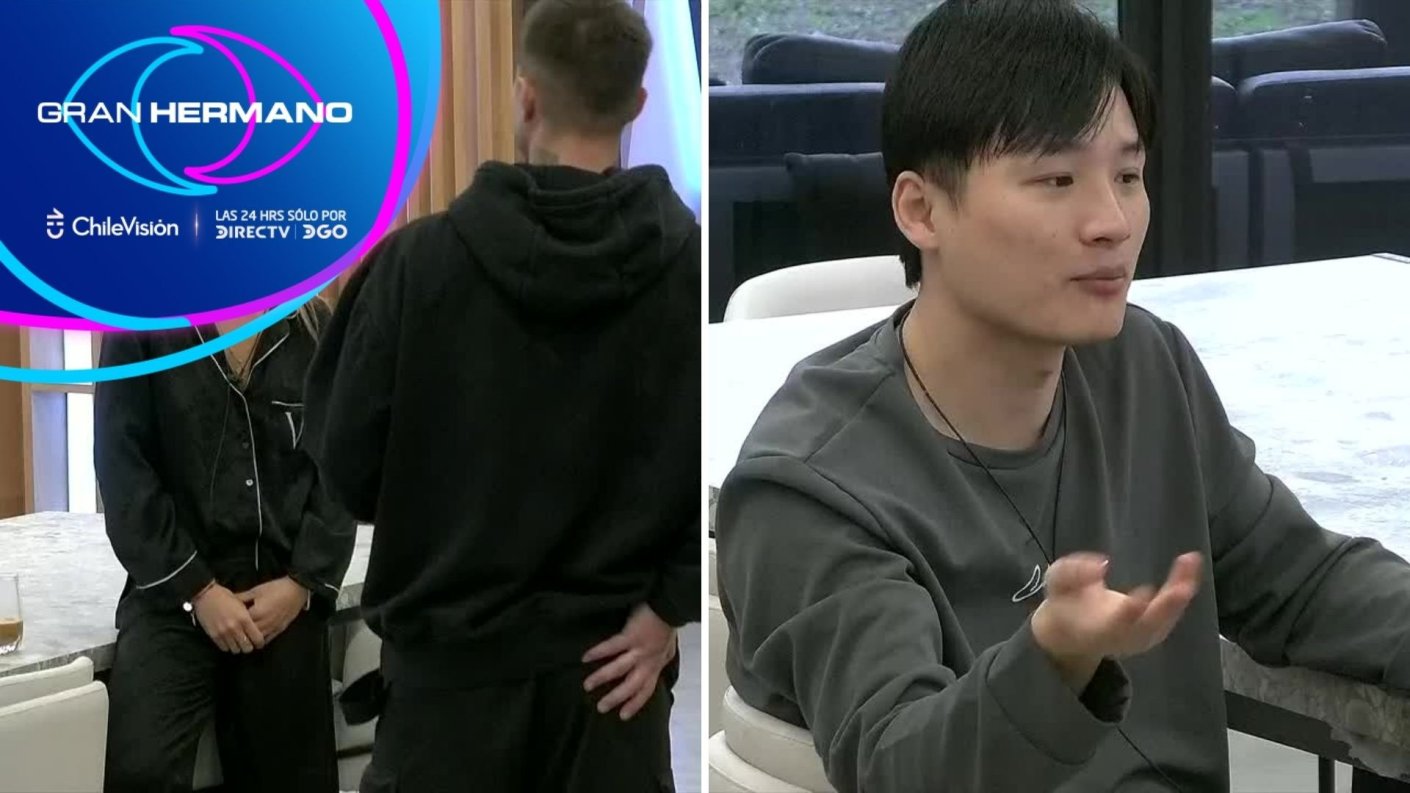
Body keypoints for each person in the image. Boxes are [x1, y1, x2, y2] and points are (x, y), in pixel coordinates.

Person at [714, 1, 1410, 791]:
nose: (1111, 221)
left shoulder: (1144, 365)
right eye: (1056, 179)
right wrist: (1051, 661)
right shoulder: (810, 482)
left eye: (1127, 176)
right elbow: (899, 763)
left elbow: (1301, 581)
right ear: (920, 210)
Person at [302, 0, 700, 790]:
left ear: (525, 95)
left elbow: (345, 469)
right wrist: (668, 606)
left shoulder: (412, 269)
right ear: (637, 103)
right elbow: (719, 465)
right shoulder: (688, 268)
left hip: (445, 701)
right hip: (612, 693)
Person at [96, 300, 356, 793]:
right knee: (141, 770)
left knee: (295, 776)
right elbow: (123, 470)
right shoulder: (140, 323)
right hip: (173, 597)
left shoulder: (313, 328)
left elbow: (338, 471)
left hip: (281, 597)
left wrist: (301, 585)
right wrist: (198, 590)